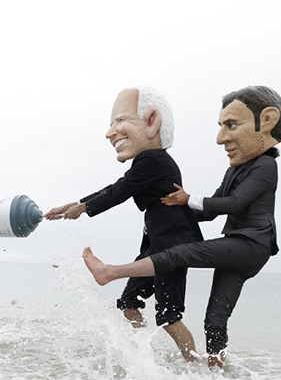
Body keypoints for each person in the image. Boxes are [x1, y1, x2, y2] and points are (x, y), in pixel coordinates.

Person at [83, 85, 281, 368]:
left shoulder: (266, 165)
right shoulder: (235, 169)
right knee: (214, 320)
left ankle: (110, 272)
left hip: (252, 244)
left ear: (266, 121)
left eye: (230, 125)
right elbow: (214, 207)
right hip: (235, 246)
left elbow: (234, 203)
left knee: (180, 253)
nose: (221, 138)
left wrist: (189, 199)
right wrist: (179, 207)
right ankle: (214, 376)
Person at [45, 87, 203, 361]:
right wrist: (72, 205)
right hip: (155, 246)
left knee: (169, 317)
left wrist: (82, 208)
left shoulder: (153, 158)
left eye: (120, 121)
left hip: (174, 245)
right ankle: (145, 357)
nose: (110, 132)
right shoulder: (149, 161)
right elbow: (116, 186)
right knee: (128, 303)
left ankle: (197, 366)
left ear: (151, 122)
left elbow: (121, 189)